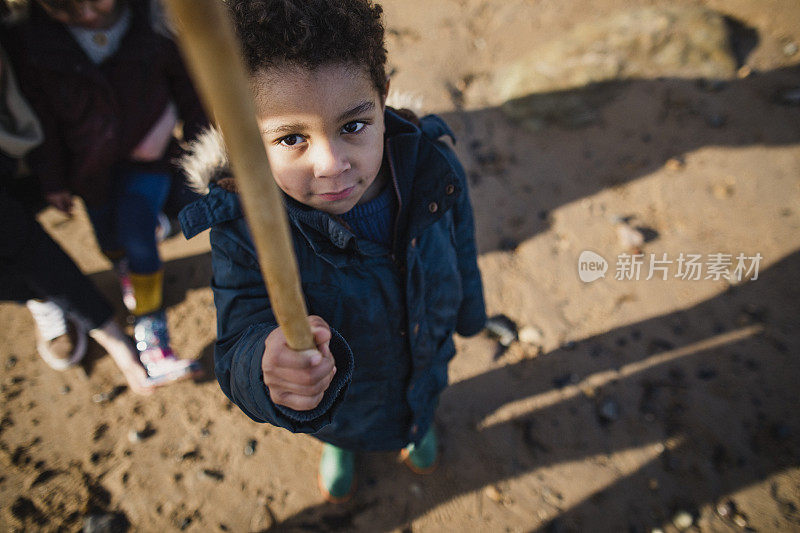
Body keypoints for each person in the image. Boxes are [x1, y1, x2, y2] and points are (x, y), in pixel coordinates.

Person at [178, 0, 486, 502]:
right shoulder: (244, 228)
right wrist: (265, 364)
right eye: (292, 137)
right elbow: (237, 341)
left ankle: (417, 427)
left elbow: (462, 244)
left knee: (423, 400)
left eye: (353, 126)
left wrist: (471, 311)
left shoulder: (432, 164)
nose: (331, 165)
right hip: (344, 399)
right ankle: (340, 447)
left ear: (382, 97)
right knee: (343, 425)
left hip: (426, 351)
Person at [9, 0, 206, 384]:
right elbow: (42, 117)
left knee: (136, 233)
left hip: (148, 157)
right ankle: (125, 266)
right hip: (88, 170)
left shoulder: (158, 17)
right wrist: (52, 180)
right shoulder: (31, 41)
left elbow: (188, 85)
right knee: (109, 237)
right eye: (64, 7)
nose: (85, 14)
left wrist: (196, 140)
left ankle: (152, 336)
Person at [0, 36, 153, 394]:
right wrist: (115, 338)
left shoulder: (38, 41)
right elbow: (20, 241)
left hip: (53, 156)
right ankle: (40, 296)